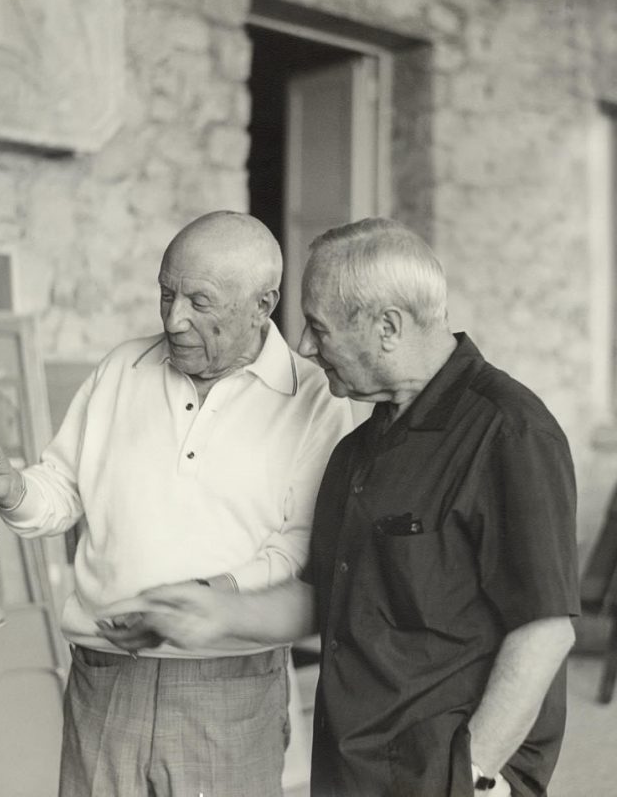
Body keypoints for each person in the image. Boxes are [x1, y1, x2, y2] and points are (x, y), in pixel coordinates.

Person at [100, 217, 580, 797]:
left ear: (387, 327)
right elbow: (324, 597)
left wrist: (473, 777)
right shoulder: (357, 450)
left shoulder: (510, 433)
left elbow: (545, 629)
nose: (303, 346)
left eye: (319, 328)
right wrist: (209, 615)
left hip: (445, 777)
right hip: (351, 769)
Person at [0, 210, 352, 797]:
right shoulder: (122, 368)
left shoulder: (314, 399)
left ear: (263, 304)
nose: (174, 319)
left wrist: (208, 597)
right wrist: (12, 490)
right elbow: (65, 486)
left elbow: (300, 547)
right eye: (166, 293)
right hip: (105, 677)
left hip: (229, 686)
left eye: (200, 301)